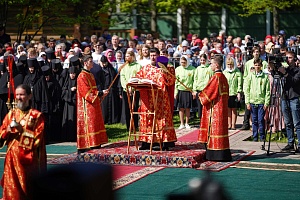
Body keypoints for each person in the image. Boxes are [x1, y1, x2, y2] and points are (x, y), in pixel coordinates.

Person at [0, 84, 46, 199]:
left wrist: (21, 130)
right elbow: (1, 134)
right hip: (11, 160)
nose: (19, 97)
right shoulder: (11, 114)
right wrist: (7, 131)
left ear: (29, 96)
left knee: (27, 190)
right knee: (12, 191)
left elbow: (37, 140)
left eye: (22, 95)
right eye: (17, 95)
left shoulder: (36, 116)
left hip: (28, 161)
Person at [136, 50, 177, 151]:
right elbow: (137, 78)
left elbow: (171, 81)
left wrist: (165, 72)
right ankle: (146, 142)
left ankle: (164, 142)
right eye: (151, 55)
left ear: (158, 56)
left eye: (154, 55)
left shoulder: (166, 68)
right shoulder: (145, 68)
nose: (152, 57)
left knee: (162, 120)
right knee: (147, 120)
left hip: (161, 99)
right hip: (148, 100)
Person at [198, 55, 232, 161]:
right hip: (222, 109)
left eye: (211, 63)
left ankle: (214, 155)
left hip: (216, 110)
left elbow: (209, 93)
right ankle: (223, 154)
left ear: (216, 65)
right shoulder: (224, 77)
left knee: (214, 131)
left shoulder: (216, 77)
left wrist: (200, 95)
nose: (210, 65)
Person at [77, 55, 108, 154]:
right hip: (87, 105)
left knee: (95, 121)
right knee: (90, 122)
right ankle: (88, 144)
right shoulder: (82, 76)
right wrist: (100, 93)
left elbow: (93, 89)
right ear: (85, 63)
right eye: (91, 61)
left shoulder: (90, 74)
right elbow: (86, 92)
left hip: (94, 103)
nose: (93, 63)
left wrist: (100, 94)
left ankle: (96, 142)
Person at [277, 51, 300, 152]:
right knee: (287, 122)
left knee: (297, 123)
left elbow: (294, 81)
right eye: (287, 58)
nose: (288, 59)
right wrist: (274, 66)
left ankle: (299, 144)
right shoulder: (284, 69)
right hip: (284, 98)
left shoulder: (298, 70)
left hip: (294, 97)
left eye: (290, 57)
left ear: (295, 59)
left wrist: (285, 73)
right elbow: (276, 75)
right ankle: (290, 142)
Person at [241, 46, 268, 130]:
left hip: (260, 88)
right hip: (250, 87)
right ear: (252, 53)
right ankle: (247, 124)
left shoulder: (264, 63)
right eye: (254, 52)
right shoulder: (248, 63)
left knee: (259, 114)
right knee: (248, 107)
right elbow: (245, 76)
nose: (256, 53)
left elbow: (266, 74)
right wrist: (245, 87)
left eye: (257, 52)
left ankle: (262, 129)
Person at [244, 58, 270, 141]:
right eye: (255, 65)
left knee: (261, 120)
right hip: (252, 101)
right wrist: (247, 102)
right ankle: (255, 137)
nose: (257, 67)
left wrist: (266, 103)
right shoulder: (250, 76)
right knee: (254, 121)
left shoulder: (265, 77)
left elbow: (267, 91)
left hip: (261, 102)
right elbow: (247, 89)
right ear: (254, 66)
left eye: (259, 65)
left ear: (261, 66)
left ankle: (262, 137)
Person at [119, 51, 142, 130]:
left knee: (134, 108)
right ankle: (129, 126)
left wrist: (132, 87)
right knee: (127, 108)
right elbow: (122, 78)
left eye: (128, 56)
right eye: (126, 56)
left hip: (135, 90)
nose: (126, 58)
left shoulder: (138, 66)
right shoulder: (123, 67)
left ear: (132, 57)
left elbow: (138, 77)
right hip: (126, 90)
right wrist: (127, 87)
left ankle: (135, 125)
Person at [175, 55, 195, 129]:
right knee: (181, 108)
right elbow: (176, 82)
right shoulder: (178, 69)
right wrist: (175, 92)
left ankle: (187, 123)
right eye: (181, 62)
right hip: (180, 90)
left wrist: (193, 91)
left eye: (184, 62)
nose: (183, 64)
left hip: (188, 90)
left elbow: (194, 81)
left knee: (187, 108)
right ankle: (181, 123)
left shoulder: (192, 69)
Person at [223, 57, 243, 130]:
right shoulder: (225, 72)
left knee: (234, 109)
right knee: (228, 109)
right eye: (228, 64)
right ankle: (229, 124)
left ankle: (233, 124)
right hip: (227, 93)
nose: (229, 66)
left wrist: (239, 92)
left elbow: (239, 83)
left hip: (234, 93)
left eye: (231, 64)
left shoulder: (237, 72)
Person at [192, 54, 213, 119]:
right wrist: (194, 90)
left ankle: (207, 120)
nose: (202, 61)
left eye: (204, 60)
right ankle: (201, 121)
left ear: (206, 60)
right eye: (201, 60)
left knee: (206, 106)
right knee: (200, 107)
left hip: (206, 90)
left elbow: (212, 78)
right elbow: (195, 79)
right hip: (199, 90)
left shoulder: (209, 68)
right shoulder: (198, 69)